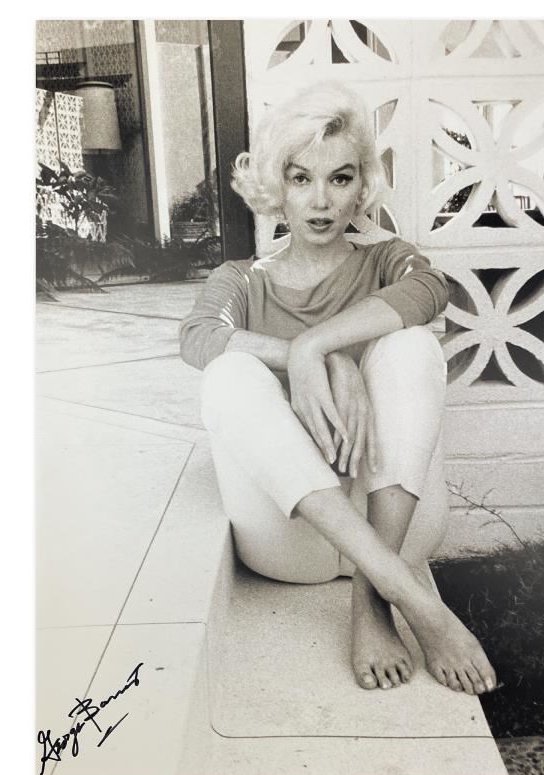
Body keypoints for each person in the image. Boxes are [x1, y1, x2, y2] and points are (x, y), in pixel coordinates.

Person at [179, 81, 496, 695]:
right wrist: (311, 361)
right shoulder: (241, 279)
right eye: (300, 178)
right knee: (227, 372)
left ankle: (371, 602)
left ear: (361, 186)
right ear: (276, 185)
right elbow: (197, 336)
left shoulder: (387, 260)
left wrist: (315, 348)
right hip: (288, 538)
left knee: (411, 343)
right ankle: (413, 601)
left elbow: (432, 290)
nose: (321, 201)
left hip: (396, 525)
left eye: (340, 178)